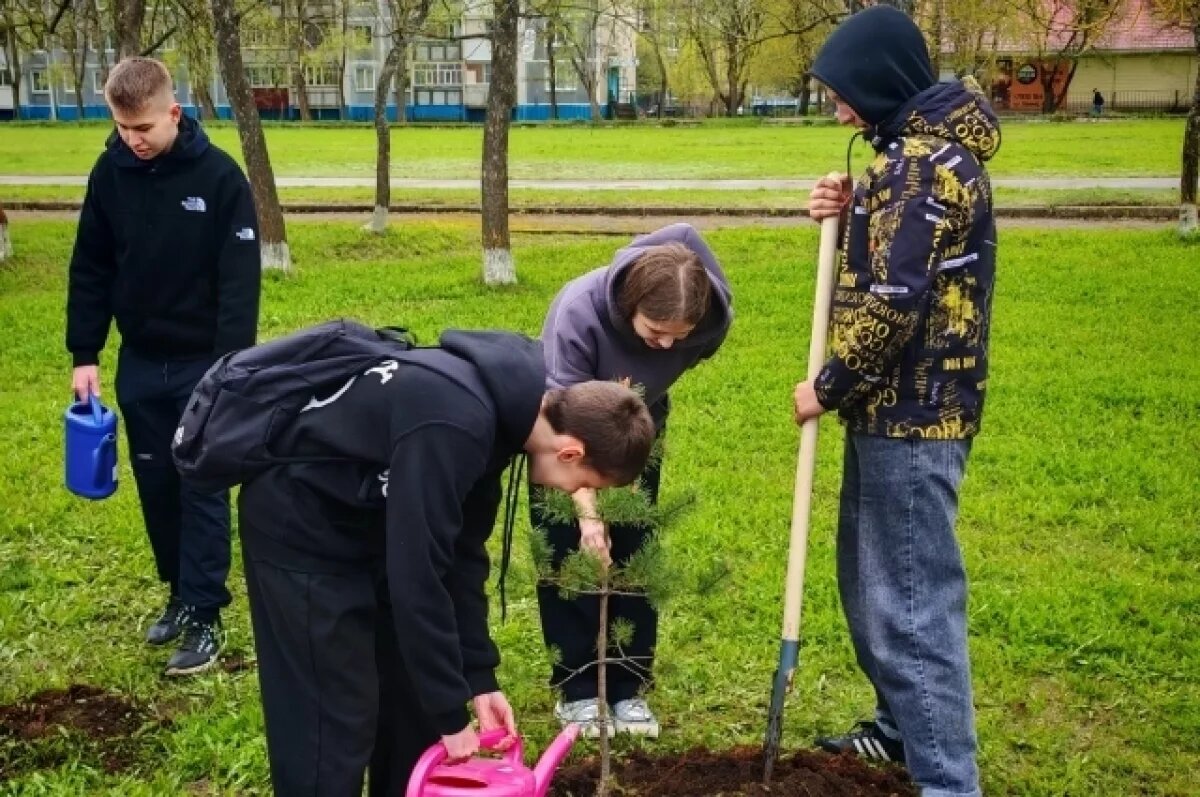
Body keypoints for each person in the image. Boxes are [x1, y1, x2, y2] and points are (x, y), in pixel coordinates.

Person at [236, 329, 656, 796]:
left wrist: (477, 677)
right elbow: (417, 576)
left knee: (410, 707)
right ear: (570, 451)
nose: (569, 491)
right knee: (333, 716)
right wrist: (451, 717)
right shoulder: (455, 424)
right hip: (300, 527)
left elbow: (460, 557)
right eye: (583, 482)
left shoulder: (505, 421)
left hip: (370, 524)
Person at [794, 6, 999, 797]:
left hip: (912, 414)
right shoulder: (913, 160)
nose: (839, 109)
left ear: (881, 84)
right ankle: (897, 729)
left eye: (845, 92)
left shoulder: (920, 168)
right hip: (896, 412)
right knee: (874, 581)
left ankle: (947, 780)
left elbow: (896, 299)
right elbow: (904, 252)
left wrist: (826, 386)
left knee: (911, 602)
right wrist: (855, 209)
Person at [66, 56, 260, 676]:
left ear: (173, 112)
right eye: (123, 128)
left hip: (206, 363)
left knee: (201, 487)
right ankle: (178, 594)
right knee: (156, 486)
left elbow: (239, 284)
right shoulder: (110, 174)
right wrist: (85, 353)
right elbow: (90, 266)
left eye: (144, 127)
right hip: (141, 363)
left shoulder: (221, 178)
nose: (134, 140)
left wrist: (228, 368)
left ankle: (206, 614)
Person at [533, 223, 734, 738]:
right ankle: (577, 689)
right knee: (569, 552)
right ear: (628, 305)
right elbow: (558, 425)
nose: (667, 346)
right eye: (654, 331)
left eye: (679, 336)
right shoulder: (578, 313)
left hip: (633, 432)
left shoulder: (711, 321)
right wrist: (587, 514)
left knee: (635, 552)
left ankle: (626, 687)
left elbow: (669, 359)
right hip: (563, 436)